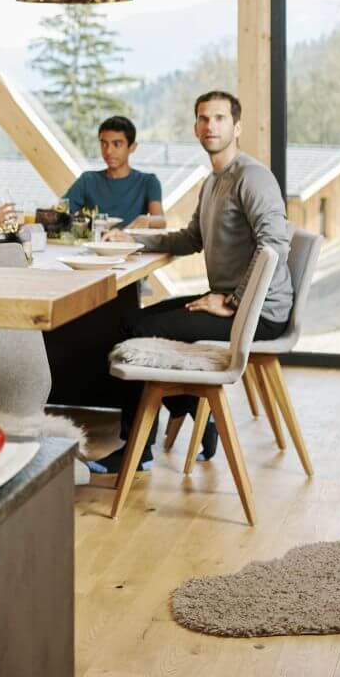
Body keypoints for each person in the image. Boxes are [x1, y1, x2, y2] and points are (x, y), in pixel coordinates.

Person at [86, 91, 293, 474]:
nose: (210, 126)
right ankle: (200, 409)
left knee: (136, 327)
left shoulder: (253, 177)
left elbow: (275, 245)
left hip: (258, 312)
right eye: (203, 118)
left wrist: (231, 301)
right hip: (231, 301)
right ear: (196, 126)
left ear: (237, 126)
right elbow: (190, 239)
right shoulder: (214, 182)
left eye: (219, 118)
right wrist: (134, 238)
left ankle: (138, 449)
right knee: (131, 320)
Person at [60, 115, 165, 228]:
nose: (108, 151)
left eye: (117, 144)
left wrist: (146, 219)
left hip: (130, 244)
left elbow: (161, 220)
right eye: (104, 144)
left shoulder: (148, 182)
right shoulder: (87, 180)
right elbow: (61, 213)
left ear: (132, 147)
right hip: (94, 243)